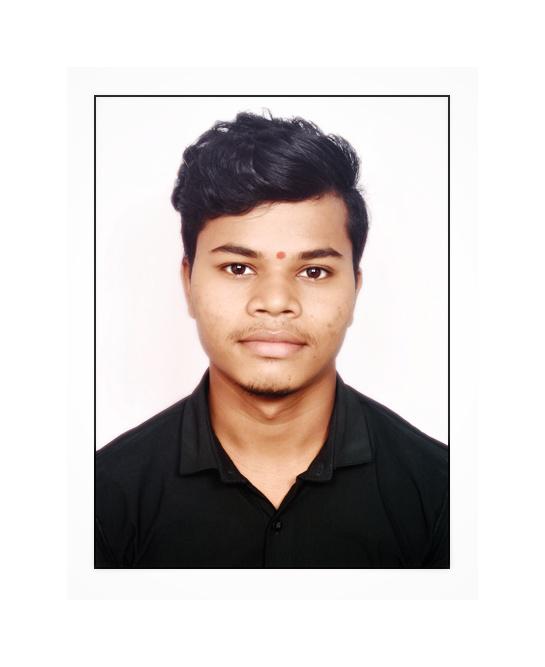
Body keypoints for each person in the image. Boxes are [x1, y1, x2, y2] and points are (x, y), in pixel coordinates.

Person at [95, 110, 448, 568]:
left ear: (355, 289)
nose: (276, 302)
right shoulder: (102, 499)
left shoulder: (444, 495)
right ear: (188, 282)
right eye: (238, 268)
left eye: (314, 271)